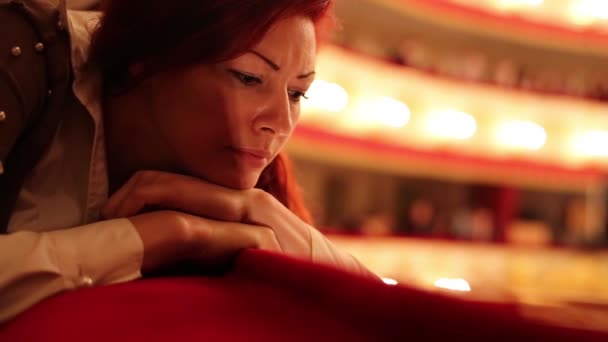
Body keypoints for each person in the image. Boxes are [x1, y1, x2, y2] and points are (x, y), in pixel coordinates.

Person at [0, 0, 376, 323]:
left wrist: (271, 216)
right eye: (248, 78)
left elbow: (396, 319)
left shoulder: (242, 169)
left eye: (297, 93)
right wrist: (159, 237)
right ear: (147, 57)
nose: (279, 123)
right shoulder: (21, 56)